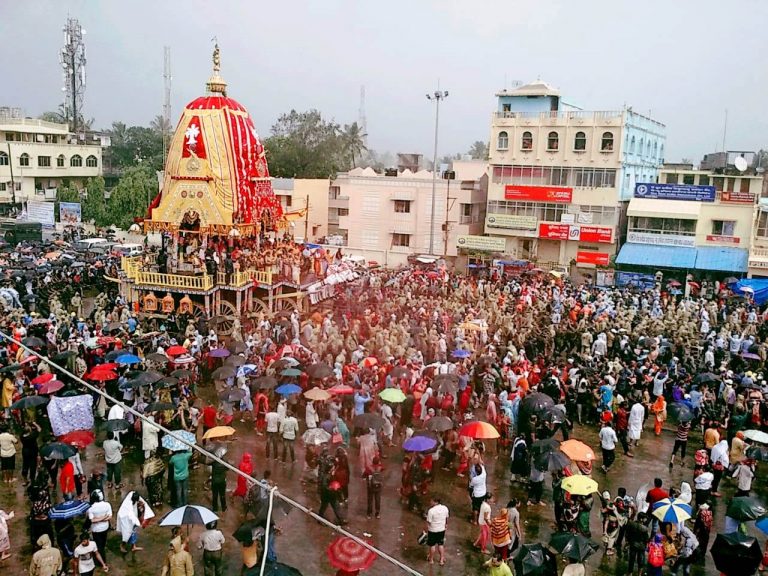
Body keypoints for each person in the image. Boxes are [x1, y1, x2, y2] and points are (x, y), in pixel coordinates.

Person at [87, 490, 112, 563]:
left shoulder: (91, 508)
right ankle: (101, 559)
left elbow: (92, 520)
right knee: (103, 544)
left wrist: (98, 519)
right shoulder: (107, 505)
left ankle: (102, 561)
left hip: (96, 529)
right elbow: (109, 517)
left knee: (99, 546)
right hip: (105, 527)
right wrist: (103, 518)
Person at [425, 496, 449, 566]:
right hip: (441, 529)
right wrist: (446, 525)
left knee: (432, 545)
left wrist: (426, 530)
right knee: (440, 544)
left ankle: (431, 559)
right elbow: (447, 518)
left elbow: (429, 522)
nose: (430, 502)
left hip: (432, 530)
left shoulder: (431, 511)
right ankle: (441, 559)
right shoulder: (445, 508)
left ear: (435, 502)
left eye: (431, 501)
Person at [625, 512, 650, 576]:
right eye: (645, 518)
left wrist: (627, 541)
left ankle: (630, 573)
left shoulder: (631, 524)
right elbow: (646, 539)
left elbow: (627, 534)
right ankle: (639, 574)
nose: (646, 520)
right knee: (641, 561)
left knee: (631, 560)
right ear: (641, 519)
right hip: (641, 547)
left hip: (633, 544)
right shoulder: (645, 528)